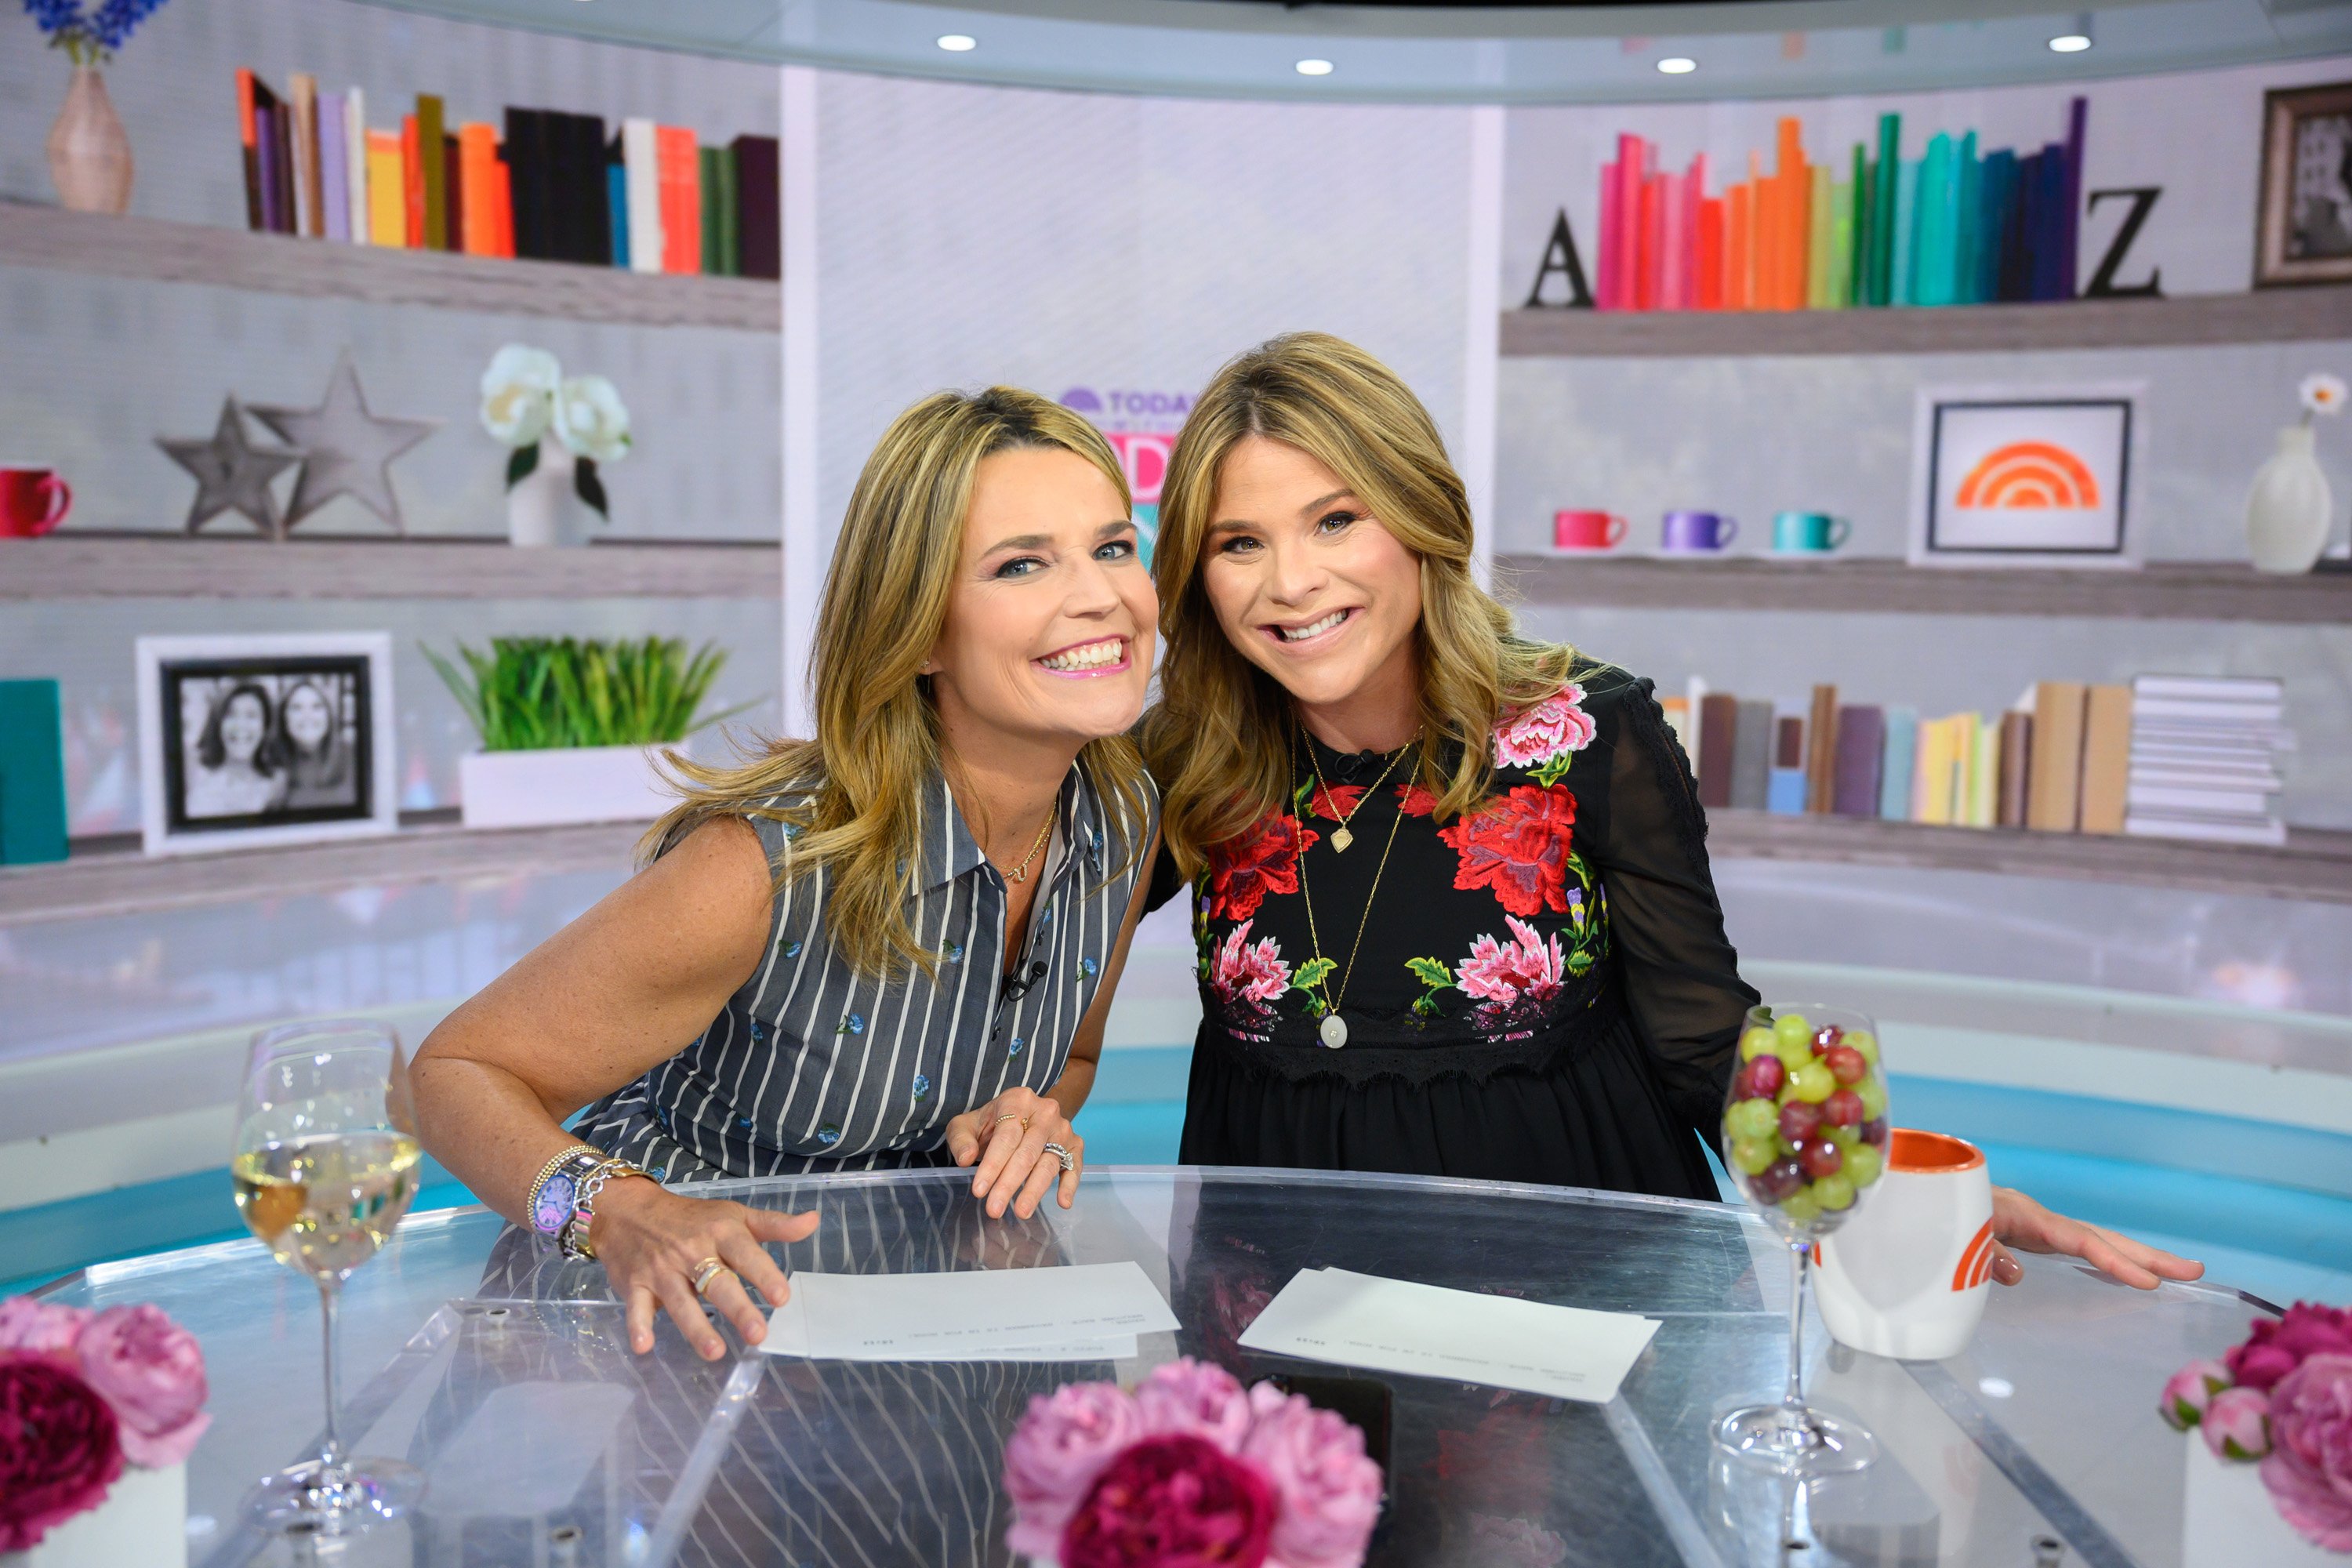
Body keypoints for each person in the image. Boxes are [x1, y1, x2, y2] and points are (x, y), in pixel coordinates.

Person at [1142, 332, 2200, 1292]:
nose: (1292, 580)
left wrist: (1902, 1187)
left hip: (1571, 1280)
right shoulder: (1186, 756)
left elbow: (1701, 1039)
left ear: (1420, 519)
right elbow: (1020, 953)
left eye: (1336, 520)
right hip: (1273, 1288)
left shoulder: (1591, 731)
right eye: (1241, 543)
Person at [414, 387, 1162, 1359]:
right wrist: (622, 1211)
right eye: (1022, 563)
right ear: (921, 631)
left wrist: (1025, 1118)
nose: (1100, 594)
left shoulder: (1124, 816)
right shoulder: (767, 862)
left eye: (1112, 547)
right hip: (667, 1330)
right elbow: (450, 1076)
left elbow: (1071, 1060)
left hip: (909, 1326)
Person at [183, 681, 285, 819]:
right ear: (218, 723)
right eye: (231, 715)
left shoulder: (276, 788)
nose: (241, 725)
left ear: (265, 727)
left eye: (251, 716)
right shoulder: (194, 777)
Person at [274, 678, 354, 810]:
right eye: (296, 708)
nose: (307, 716)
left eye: (316, 707)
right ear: (284, 718)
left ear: (328, 715)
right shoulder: (270, 764)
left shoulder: (355, 755)